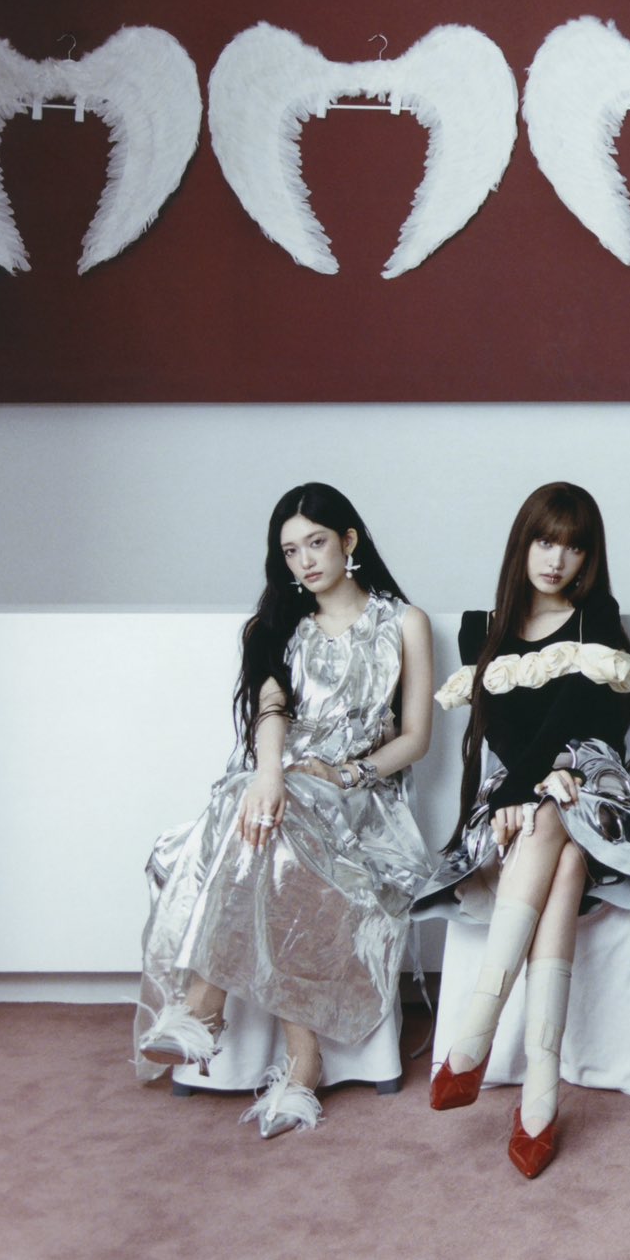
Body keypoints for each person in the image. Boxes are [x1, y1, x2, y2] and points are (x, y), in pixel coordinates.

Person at [134, 482, 435, 1139]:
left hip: (360, 796)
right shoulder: (277, 626)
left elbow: (416, 738)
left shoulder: (404, 622)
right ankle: (302, 1062)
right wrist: (269, 776)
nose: (305, 561)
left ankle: (204, 1009)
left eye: (316, 543)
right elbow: (272, 711)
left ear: (349, 541)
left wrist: (347, 772)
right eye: (291, 551)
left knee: (269, 825)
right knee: (261, 812)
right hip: (282, 781)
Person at [420, 482, 630, 1179]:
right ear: (522, 543)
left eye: (574, 547)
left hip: (589, 786)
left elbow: (587, 713)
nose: (556, 560)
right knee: (563, 853)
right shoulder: (481, 627)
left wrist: (538, 782)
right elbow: (501, 726)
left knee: (557, 812)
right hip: (516, 799)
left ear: (589, 558)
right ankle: (540, 1084)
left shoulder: (596, 616)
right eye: (546, 542)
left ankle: (478, 1028)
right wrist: (520, 788)